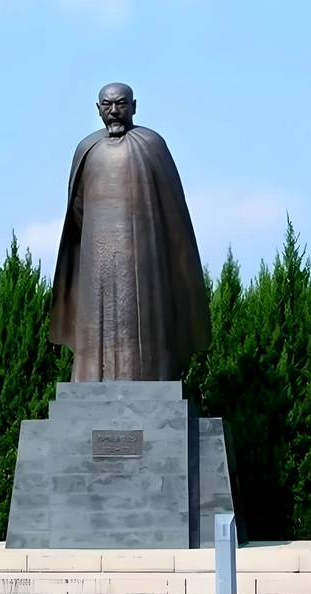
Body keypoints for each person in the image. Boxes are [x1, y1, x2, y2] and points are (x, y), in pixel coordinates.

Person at [49, 82, 211, 382]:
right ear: (98, 109)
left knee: (145, 316)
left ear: (134, 106)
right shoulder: (87, 148)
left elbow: (172, 209)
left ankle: (154, 376)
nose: (114, 111)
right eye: (107, 105)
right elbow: (77, 208)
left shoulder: (152, 144)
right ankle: (91, 379)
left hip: (145, 254)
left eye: (121, 104)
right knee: (96, 319)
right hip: (97, 254)